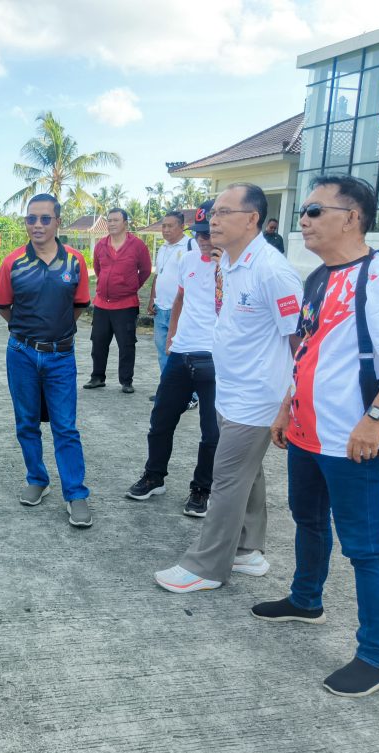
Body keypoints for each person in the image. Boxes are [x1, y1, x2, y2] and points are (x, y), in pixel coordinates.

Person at [257, 175, 379, 698]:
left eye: (313, 210)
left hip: (350, 438)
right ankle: (306, 599)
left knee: (365, 547)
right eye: (304, 211)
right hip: (308, 431)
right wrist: (287, 405)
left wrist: (375, 417)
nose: (303, 220)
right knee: (307, 520)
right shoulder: (318, 277)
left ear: (351, 216)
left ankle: (376, 658)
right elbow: (307, 346)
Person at [154, 183, 302, 594]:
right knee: (246, 475)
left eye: (223, 212)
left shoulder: (272, 271)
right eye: (212, 213)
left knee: (227, 478)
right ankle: (248, 551)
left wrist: (289, 403)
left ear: (252, 219)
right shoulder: (231, 264)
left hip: (259, 396)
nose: (212, 220)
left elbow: (302, 343)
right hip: (232, 388)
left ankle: (207, 565)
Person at [0, 194, 93, 528]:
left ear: (58, 222)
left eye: (44, 219)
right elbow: (4, 306)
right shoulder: (12, 262)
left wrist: (56, 333)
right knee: (26, 422)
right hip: (21, 354)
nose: (37, 225)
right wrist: (28, 334)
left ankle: (76, 494)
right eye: (31, 219)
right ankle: (37, 478)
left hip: (61, 356)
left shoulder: (76, 262)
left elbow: (78, 305)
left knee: (66, 427)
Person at [126, 200, 220, 517]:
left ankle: (201, 488)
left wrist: (225, 267)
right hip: (182, 352)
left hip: (216, 358)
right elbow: (181, 296)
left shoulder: (238, 264)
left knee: (212, 430)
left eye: (210, 234)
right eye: (200, 233)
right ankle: (154, 476)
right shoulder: (190, 258)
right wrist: (171, 336)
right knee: (161, 419)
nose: (205, 240)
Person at [84, 207, 151, 394]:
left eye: (115, 220)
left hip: (126, 305)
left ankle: (126, 381)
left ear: (125, 224)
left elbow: (145, 270)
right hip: (101, 304)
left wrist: (130, 287)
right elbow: (98, 269)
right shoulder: (100, 245)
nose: (111, 224)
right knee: (98, 342)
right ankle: (97, 377)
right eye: (109, 220)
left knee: (126, 344)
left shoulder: (137, 246)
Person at [149, 212, 194, 401]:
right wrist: (152, 298)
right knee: (162, 351)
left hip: (181, 311)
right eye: (163, 226)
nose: (166, 230)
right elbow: (158, 275)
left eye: (170, 226)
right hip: (161, 308)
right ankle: (167, 390)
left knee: (183, 353)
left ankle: (190, 395)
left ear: (181, 226)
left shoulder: (190, 246)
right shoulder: (163, 248)